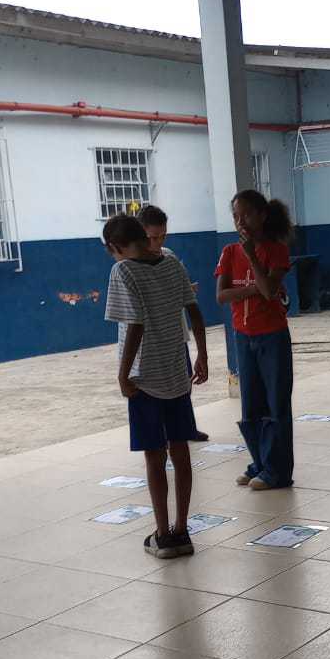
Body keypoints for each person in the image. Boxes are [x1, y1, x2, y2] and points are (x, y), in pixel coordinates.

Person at [103, 213, 209, 558]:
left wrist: (123, 375)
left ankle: (163, 535)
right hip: (177, 373)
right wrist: (202, 355)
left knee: (154, 456)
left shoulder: (123, 271)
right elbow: (194, 312)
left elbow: (134, 326)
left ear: (115, 247)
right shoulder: (173, 264)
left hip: (144, 379)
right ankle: (182, 530)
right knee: (180, 452)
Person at [216, 190, 294, 489]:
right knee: (251, 404)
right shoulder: (228, 252)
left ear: (262, 215)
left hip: (271, 335)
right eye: (236, 216)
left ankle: (278, 471)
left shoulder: (276, 250)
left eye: (247, 214)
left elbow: (270, 290)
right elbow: (222, 295)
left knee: (276, 403)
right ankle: (259, 463)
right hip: (243, 335)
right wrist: (252, 290)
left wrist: (251, 255)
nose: (241, 222)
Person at [138, 204, 209, 443]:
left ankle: (186, 428)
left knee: (184, 385)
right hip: (150, 346)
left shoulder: (169, 257)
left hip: (177, 336)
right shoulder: (130, 266)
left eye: (162, 236)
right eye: (152, 237)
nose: (158, 242)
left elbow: (189, 302)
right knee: (155, 394)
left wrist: (203, 353)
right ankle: (165, 435)